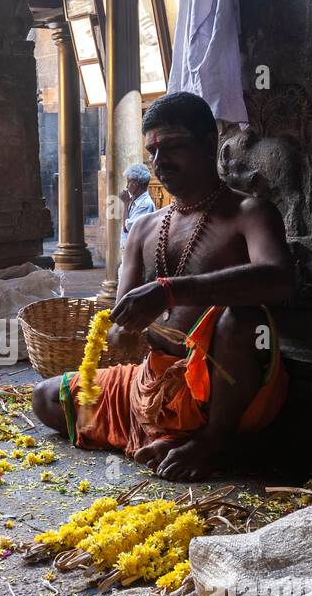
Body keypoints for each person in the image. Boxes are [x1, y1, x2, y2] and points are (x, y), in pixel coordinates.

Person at [31, 92, 293, 481]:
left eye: (172, 147)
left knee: (243, 319)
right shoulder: (143, 228)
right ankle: (169, 434)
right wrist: (124, 331)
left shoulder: (247, 213)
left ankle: (213, 441)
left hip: (222, 385)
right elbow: (124, 322)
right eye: (152, 150)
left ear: (208, 145)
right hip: (151, 378)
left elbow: (279, 278)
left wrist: (170, 291)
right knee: (47, 398)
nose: (159, 162)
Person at [119, 162, 156, 247]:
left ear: (136, 184)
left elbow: (127, 228)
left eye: (128, 182)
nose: (126, 186)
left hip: (137, 252)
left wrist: (125, 204)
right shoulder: (135, 200)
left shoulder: (146, 204)